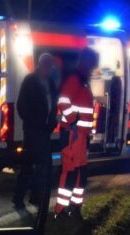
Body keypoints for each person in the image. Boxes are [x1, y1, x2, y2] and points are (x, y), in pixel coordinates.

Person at [54, 48, 99, 218]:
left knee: (80, 173)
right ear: (86, 62)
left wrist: (87, 131)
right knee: (69, 172)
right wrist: (73, 120)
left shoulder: (83, 81)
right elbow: (63, 101)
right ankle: (61, 209)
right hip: (73, 135)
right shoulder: (75, 79)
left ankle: (76, 205)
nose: (93, 68)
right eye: (92, 64)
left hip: (80, 136)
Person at [13, 53, 60, 209]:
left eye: (50, 65)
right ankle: (18, 199)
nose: (48, 68)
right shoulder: (30, 81)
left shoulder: (51, 83)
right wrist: (32, 123)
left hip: (44, 131)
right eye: (46, 65)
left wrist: (52, 123)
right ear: (40, 64)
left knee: (43, 166)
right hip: (32, 131)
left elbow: (53, 105)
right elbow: (21, 106)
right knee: (28, 165)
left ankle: (35, 197)